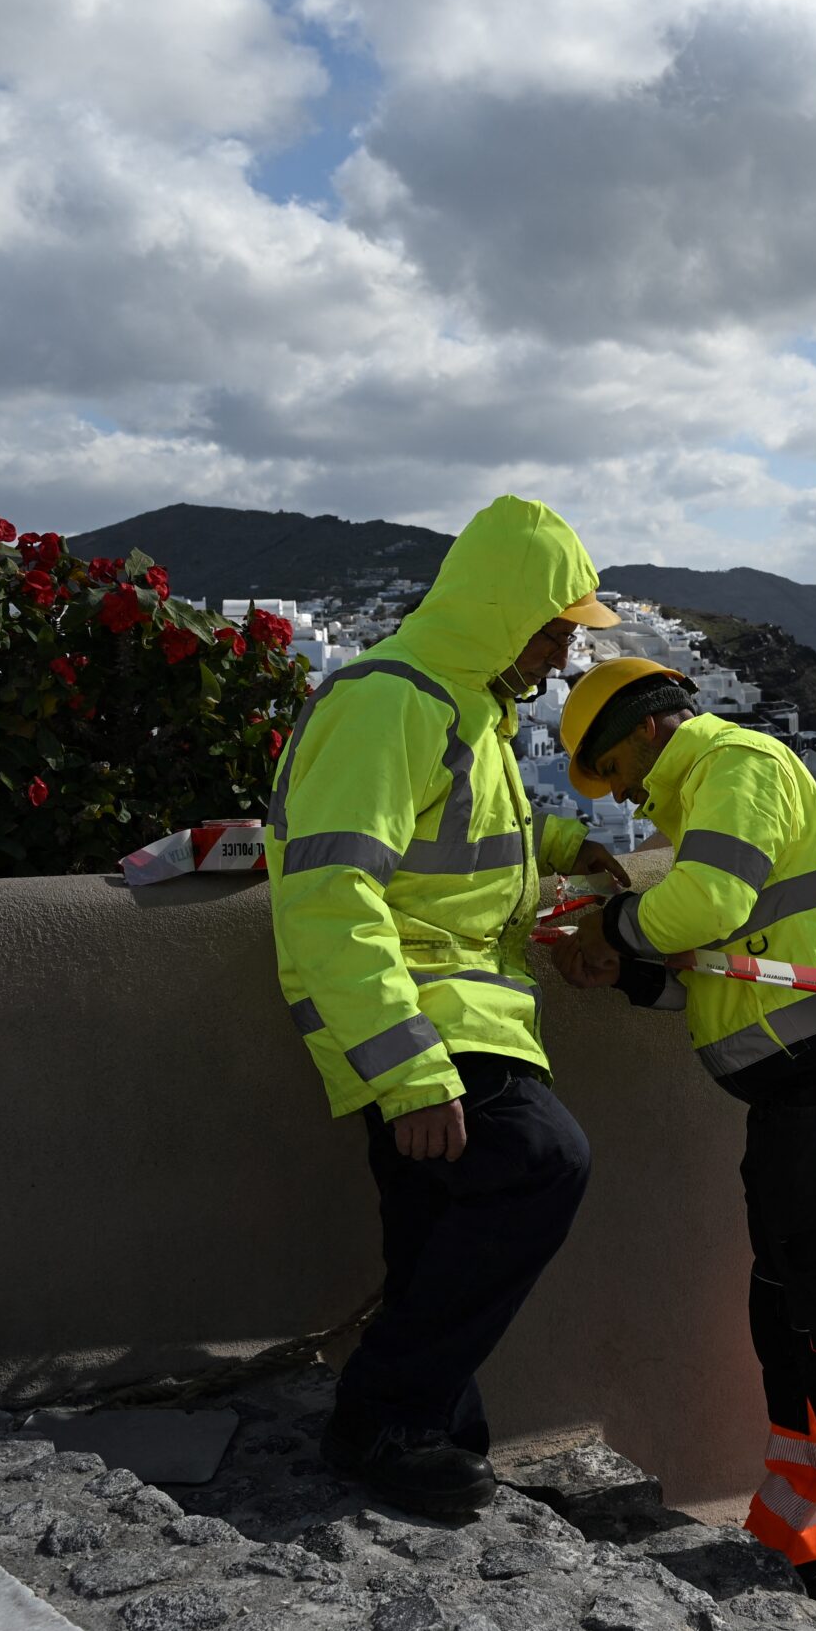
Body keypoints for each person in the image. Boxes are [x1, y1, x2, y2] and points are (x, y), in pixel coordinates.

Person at [551, 657, 816, 1631]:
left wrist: (610, 923)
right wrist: (619, 971)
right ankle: (792, 1537)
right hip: (793, 1103)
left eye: (617, 773)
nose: (625, 799)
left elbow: (700, 909)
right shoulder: (705, 797)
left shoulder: (738, 763)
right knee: (788, 1322)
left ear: (649, 730)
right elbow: (720, 977)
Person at [266, 495, 629, 1518]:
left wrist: (566, 852)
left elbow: (463, 841)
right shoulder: (391, 703)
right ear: (501, 610)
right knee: (539, 1161)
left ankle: (426, 1442)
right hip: (421, 1017)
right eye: (555, 629)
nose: (561, 656)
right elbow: (331, 894)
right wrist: (409, 1068)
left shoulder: (462, 706)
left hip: (448, 1009)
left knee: (432, 1237)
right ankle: (379, 1416)